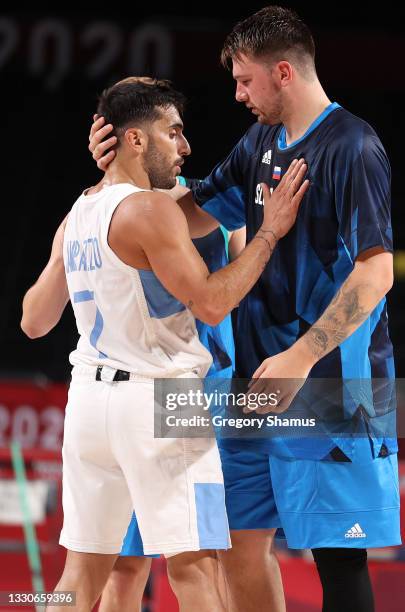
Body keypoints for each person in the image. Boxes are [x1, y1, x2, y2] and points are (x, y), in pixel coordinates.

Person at [90, 8, 400, 612]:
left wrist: (303, 357)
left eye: (244, 81)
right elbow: (185, 215)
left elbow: (377, 270)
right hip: (252, 388)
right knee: (232, 545)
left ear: (283, 72)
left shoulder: (353, 147)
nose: (237, 94)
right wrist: (117, 181)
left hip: (332, 388)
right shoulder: (260, 141)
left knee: (338, 561)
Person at [21, 75, 308, 612]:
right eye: (173, 132)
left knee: (80, 576)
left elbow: (33, 321)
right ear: (134, 139)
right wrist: (269, 231)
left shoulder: (79, 210)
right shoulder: (152, 210)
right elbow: (213, 304)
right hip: (162, 402)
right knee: (195, 571)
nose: (185, 145)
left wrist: (64, 253)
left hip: (87, 402)